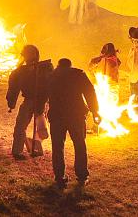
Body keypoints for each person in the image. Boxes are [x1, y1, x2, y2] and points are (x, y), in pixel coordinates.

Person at [45, 58, 100, 188]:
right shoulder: (78, 74)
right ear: (70, 65)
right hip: (76, 115)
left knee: (57, 146)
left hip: (57, 115)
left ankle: (59, 177)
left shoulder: (51, 76)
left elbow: (42, 93)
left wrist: (39, 109)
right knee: (80, 144)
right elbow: (90, 93)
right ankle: (82, 176)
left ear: (58, 66)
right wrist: (95, 111)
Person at [6, 45, 53, 158]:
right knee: (20, 126)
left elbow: (52, 84)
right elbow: (14, 88)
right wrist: (11, 103)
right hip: (29, 101)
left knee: (42, 130)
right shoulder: (20, 71)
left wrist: (50, 101)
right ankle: (17, 151)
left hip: (41, 101)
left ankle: (34, 146)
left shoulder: (45, 67)